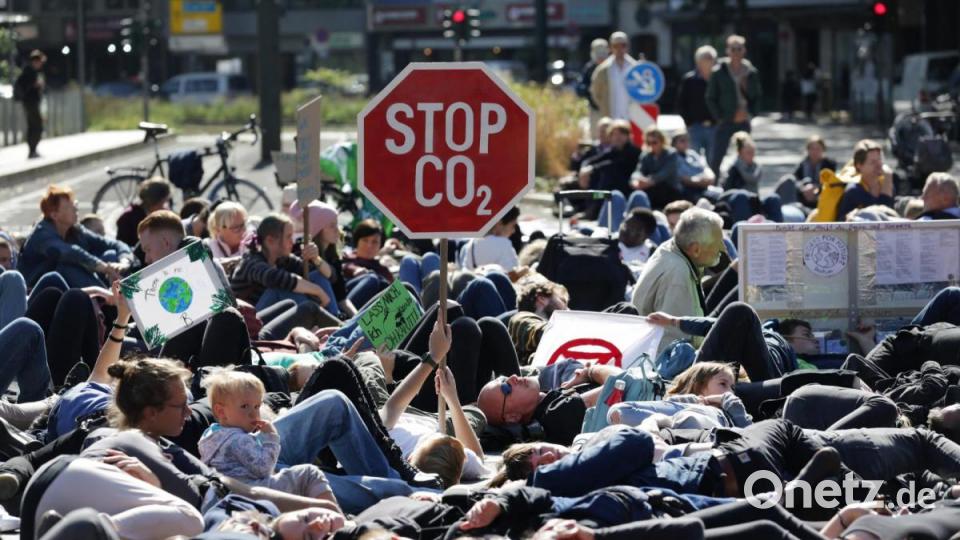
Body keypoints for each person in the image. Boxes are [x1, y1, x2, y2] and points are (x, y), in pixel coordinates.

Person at [198, 370, 337, 502]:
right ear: (221, 412)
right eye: (245, 406)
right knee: (309, 473)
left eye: (257, 406)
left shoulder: (211, 435)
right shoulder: (239, 440)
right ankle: (334, 514)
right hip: (253, 491)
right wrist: (271, 437)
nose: (253, 414)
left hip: (231, 492)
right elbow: (264, 469)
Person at [631, 208, 725, 356]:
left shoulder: (672, 249)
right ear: (695, 249)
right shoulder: (678, 275)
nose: (722, 248)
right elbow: (673, 345)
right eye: (718, 242)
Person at [19, 185, 134, 288]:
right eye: (69, 206)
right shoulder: (42, 234)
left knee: (111, 255)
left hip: (73, 287)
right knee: (67, 267)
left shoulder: (74, 229)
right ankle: (110, 300)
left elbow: (111, 243)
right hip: (42, 291)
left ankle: (128, 294)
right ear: (54, 215)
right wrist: (104, 267)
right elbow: (70, 253)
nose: (75, 208)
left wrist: (124, 261)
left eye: (74, 203)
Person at [230, 213, 336, 315]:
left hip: (268, 317)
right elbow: (277, 278)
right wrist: (318, 291)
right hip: (248, 321)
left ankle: (334, 316)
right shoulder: (251, 262)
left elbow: (331, 277)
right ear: (270, 241)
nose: (292, 242)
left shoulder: (282, 259)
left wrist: (316, 259)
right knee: (280, 290)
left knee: (317, 275)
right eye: (288, 237)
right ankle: (321, 318)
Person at [706, 35, 762, 175]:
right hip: (726, 121)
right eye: (733, 49)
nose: (736, 52)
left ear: (744, 50)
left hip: (744, 121)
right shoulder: (718, 72)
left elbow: (757, 96)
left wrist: (750, 114)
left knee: (745, 155)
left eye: (739, 49)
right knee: (717, 157)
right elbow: (710, 97)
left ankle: (744, 182)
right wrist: (720, 117)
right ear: (727, 51)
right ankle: (714, 184)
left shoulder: (751, 72)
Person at [835, 139, 895, 221]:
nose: (879, 165)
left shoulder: (887, 184)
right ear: (859, 165)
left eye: (879, 160)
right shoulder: (853, 192)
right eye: (873, 162)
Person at [676, 45, 717, 162]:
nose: (709, 62)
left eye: (711, 59)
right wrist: (688, 122)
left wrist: (720, 120)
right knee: (693, 162)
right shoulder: (689, 80)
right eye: (706, 58)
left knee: (714, 162)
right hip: (695, 127)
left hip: (715, 127)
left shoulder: (719, 79)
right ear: (698, 62)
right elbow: (681, 103)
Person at [341, 219, 394, 309]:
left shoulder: (383, 271)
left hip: (373, 312)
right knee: (371, 279)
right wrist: (354, 270)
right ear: (357, 241)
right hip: (344, 306)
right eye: (365, 240)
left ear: (380, 245)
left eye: (374, 242)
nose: (369, 246)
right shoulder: (344, 259)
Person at [776, 134, 837, 209]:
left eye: (818, 149)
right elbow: (796, 179)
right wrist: (804, 188)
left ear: (823, 150)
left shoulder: (829, 164)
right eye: (812, 149)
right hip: (803, 197)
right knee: (788, 180)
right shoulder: (803, 164)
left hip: (821, 198)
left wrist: (816, 188)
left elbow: (831, 183)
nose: (815, 152)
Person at [590, 31, 636, 121]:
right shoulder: (603, 69)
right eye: (616, 46)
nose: (619, 49)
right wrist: (604, 106)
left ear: (627, 47)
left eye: (623, 45)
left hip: (632, 117)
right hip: (611, 116)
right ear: (610, 48)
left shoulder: (635, 67)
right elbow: (596, 92)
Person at [115, 177, 172, 248]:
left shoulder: (158, 214)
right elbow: (123, 246)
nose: (166, 207)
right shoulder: (128, 218)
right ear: (155, 202)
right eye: (164, 202)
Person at [630, 128, 681, 209]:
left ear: (662, 141)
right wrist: (636, 181)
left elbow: (665, 173)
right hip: (652, 191)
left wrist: (649, 181)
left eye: (654, 142)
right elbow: (638, 171)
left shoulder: (671, 154)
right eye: (648, 143)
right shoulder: (646, 155)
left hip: (670, 191)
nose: (651, 145)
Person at [458, 207, 520, 272]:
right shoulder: (504, 243)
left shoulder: (471, 244)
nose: (513, 231)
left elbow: (465, 270)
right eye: (513, 225)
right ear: (499, 223)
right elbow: (513, 270)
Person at [14, 50, 46, 159]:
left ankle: (33, 150)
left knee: (33, 125)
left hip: (30, 102)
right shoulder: (29, 71)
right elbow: (26, 86)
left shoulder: (31, 71)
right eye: (40, 61)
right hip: (30, 102)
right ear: (36, 61)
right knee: (36, 126)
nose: (41, 64)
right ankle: (32, 150)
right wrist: (35, 85)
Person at [672, 131, 716, 202]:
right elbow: (682, 178)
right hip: (688, 190)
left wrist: (711, 177)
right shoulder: (673, 157)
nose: (686, 143)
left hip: (704, 185)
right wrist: (699, 182)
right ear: (674, 143)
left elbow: (705, 168)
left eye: (687, 140)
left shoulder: (692, 154)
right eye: (682, 141)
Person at [577, 38, 610, 132]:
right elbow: (580, 88)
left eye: (603, 50)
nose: (600, 54)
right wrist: (590, 90)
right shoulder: (589, 68)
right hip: (595, 108)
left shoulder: (612, 67)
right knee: (596, 133)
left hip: (611, 107)